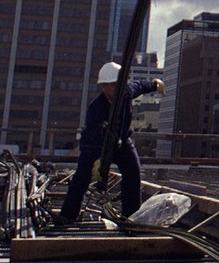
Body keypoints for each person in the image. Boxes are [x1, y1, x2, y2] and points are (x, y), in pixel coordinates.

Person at [58, 61, 162, 225]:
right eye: (111, 85)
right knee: (82, 176)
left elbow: (140, 86)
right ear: (104, 86)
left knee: (133, 173)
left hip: (122, 142)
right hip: (96, 146)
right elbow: (93, 134)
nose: (115, 89)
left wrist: (154, 85)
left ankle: (131, 216)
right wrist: (100, 160)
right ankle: (68, 215)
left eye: (117, 85)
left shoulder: (126, 92)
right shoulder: (96, 108)